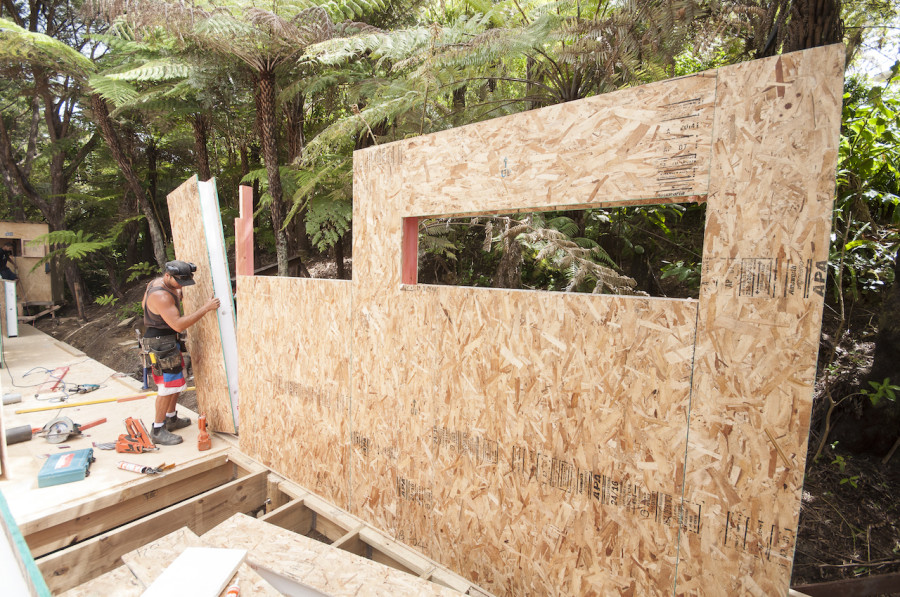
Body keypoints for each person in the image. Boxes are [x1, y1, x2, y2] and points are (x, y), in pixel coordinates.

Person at [142, 260, 219, 445]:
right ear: (168, 276)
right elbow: (178, 324)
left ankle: (171, 418)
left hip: (168, 341)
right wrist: (206, 308)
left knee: (175, 384)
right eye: (179, 282)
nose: (181, 287)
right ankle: (158, 429)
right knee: (167, 387)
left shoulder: (161, 284)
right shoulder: (160, 295)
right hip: (161, 344)